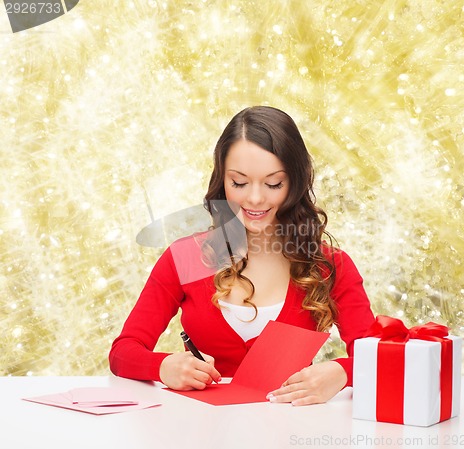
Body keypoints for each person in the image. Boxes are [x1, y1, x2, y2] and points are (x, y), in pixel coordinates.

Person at [109, 106, 375, 405]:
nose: (255, 198)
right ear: (222, 181)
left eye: (274, 183)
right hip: (203, 431)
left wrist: (341, 372)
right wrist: (162, 366)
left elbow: (378, 357)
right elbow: (123, 352)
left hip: (294, 430)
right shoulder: (184, 257)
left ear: (295, 183)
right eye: (239, 182)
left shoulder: (330, 265)